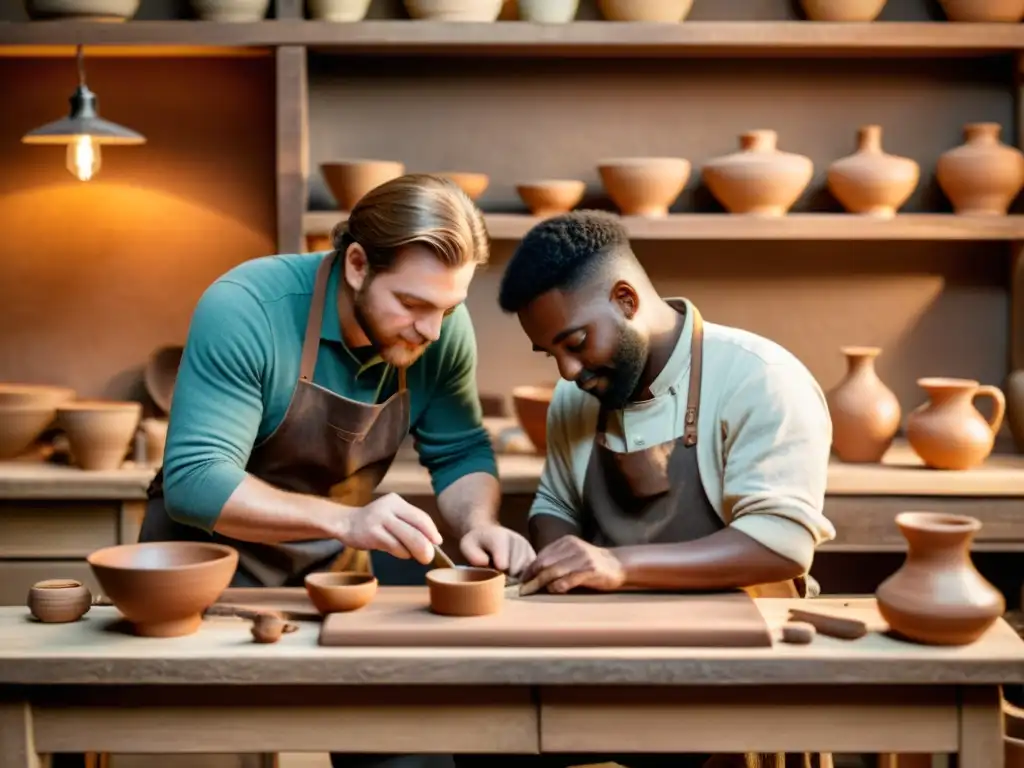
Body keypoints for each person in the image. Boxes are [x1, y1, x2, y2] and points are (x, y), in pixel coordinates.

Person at [139, 174, 534, 768]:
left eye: (449, 308)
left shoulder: (440, 331)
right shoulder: (247, 307)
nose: (431, 329)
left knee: (406, 754)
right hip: (198, 576)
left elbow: (460, 452)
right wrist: (349, 521)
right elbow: (196, 480)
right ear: (356, 264)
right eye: (413, 304)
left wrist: (477, 522)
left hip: (333, 577)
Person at [462, 210, 837, 768]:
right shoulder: (577, 397)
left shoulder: (760, 378)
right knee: (484, 742)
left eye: (576, 342)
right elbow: (555, 505)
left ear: (626, 300)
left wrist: (618, 565)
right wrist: (556, 556)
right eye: (551, 354)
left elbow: (780, 543)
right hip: (611, 649)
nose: (566, 371)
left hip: (737, 663)